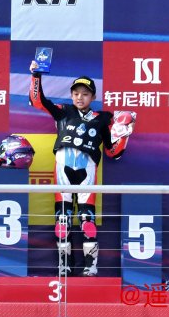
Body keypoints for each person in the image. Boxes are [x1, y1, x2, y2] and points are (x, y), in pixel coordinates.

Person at [28, 63, 130, 277]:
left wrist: (124, 134)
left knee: (87, 222)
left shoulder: (103, 118)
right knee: (62, 222)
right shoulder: (63, 111)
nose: (79, 97)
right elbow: (37, 101)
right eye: (76, 93)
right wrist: (36, 74)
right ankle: (64, 266)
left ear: (93, 97)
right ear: (71, 95)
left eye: (85, 94)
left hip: (87, 175)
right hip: (62, 174)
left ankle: (90, 267)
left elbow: (113, 152)